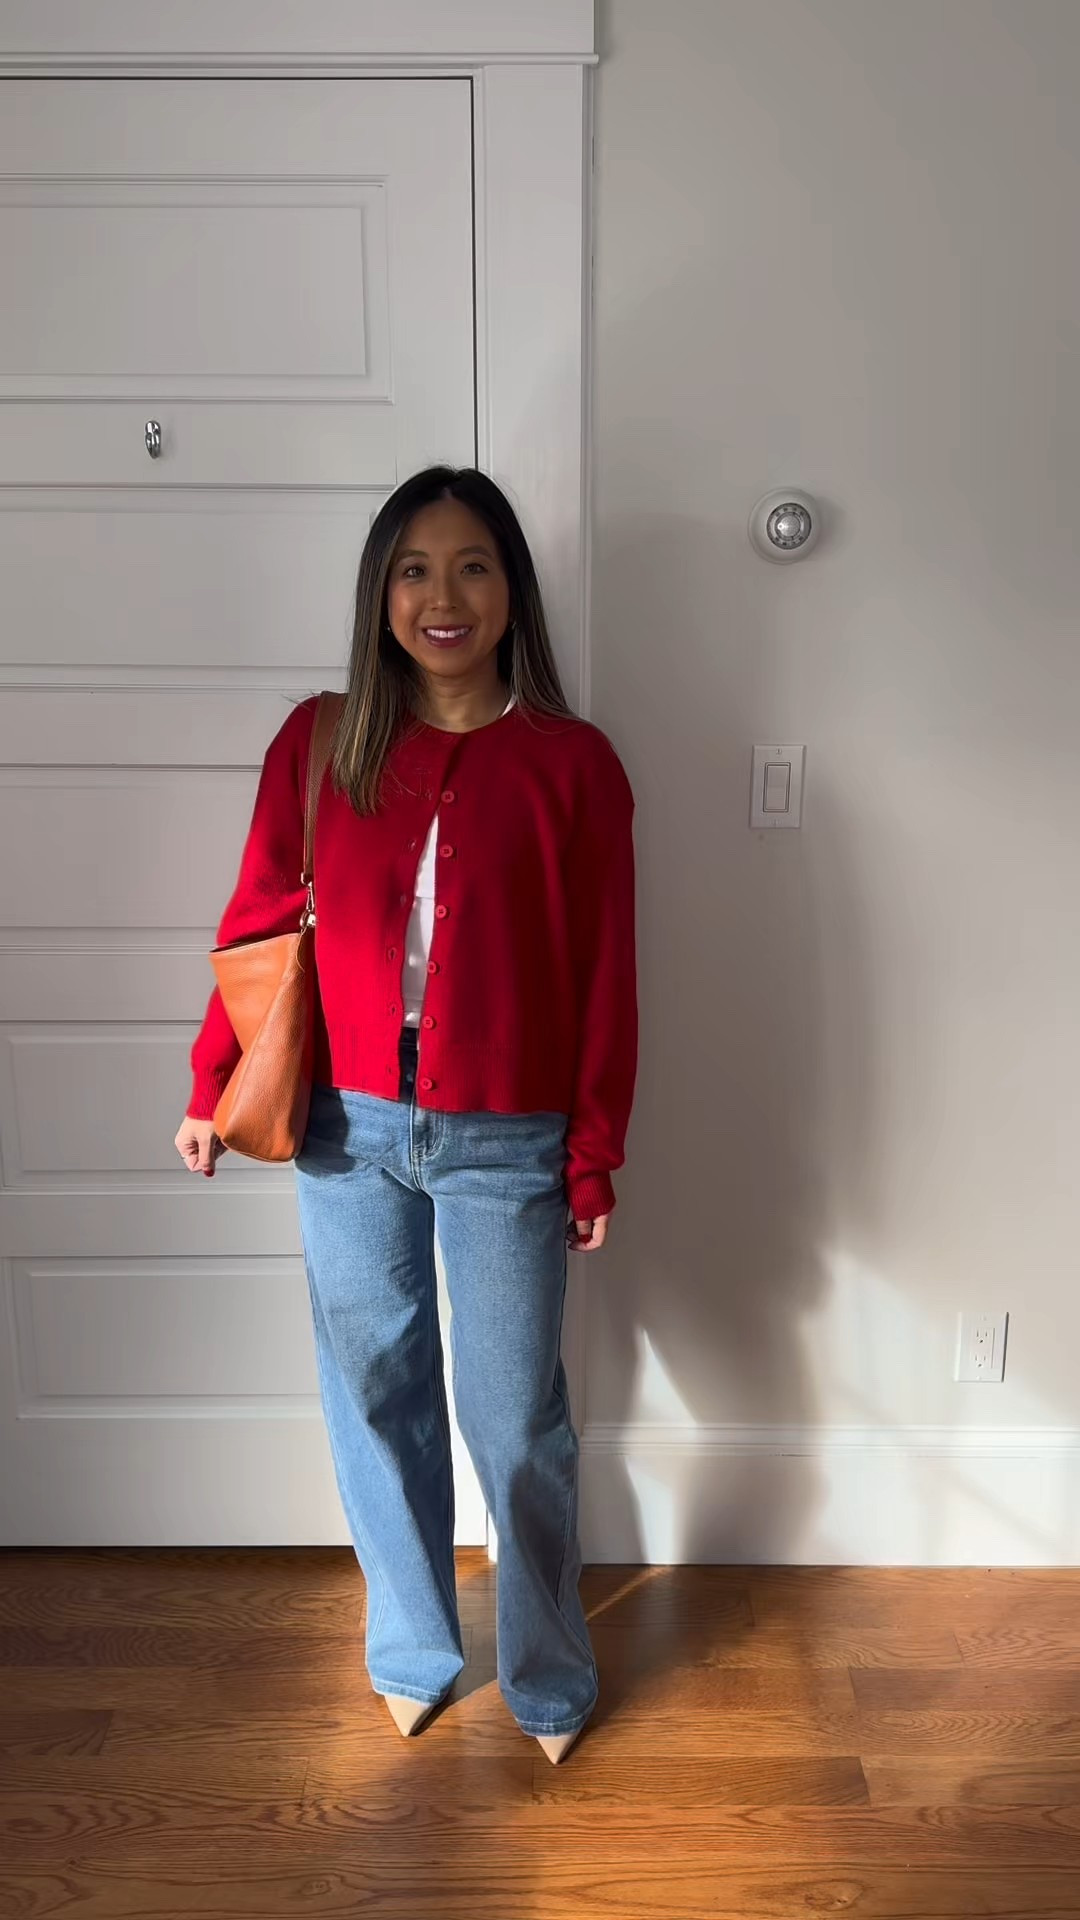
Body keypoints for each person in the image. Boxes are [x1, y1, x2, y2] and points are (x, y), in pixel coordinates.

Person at [174, 465, 637, 1764]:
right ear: (382, 591)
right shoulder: (320, 742)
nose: (445, 595)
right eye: (416, 568)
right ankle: (416, 1651)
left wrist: (593, 1158)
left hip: (510, 1142)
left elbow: (608, 974)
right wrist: (212, 1085)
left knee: (513, 1418)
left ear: (512, 591)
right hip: (344, 1127)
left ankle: (548, 1677)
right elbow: (261, 921)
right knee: (375, 1393)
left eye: (474, 565)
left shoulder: (575, 767)